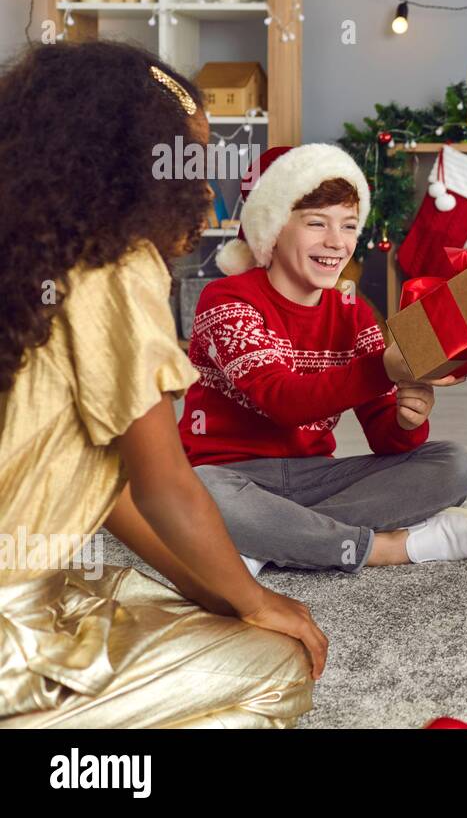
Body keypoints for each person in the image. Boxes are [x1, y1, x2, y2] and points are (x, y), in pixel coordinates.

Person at [0, 41, 324, 728]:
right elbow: (164, 484)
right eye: (185, 163)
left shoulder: (31, 262)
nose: (202, 188)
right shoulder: (116, 271)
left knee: (154, 598)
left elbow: (110, 486)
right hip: (14, 633)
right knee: (277, 672)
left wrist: (217, 589)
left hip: (31, 585)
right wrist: (258, 604)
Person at [181, 144, 467, 576]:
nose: (336, 242)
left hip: (314, 479)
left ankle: (267, 540)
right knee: (195, 489)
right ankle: (388, 547)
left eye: (348, 225)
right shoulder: (227, 299)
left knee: (450, 464)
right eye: (316, 224)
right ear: (272, 228)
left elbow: (384, 438)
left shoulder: (353, 312)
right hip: (231, 476)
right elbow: (281, 400)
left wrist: (407, 420)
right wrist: (383, 367)